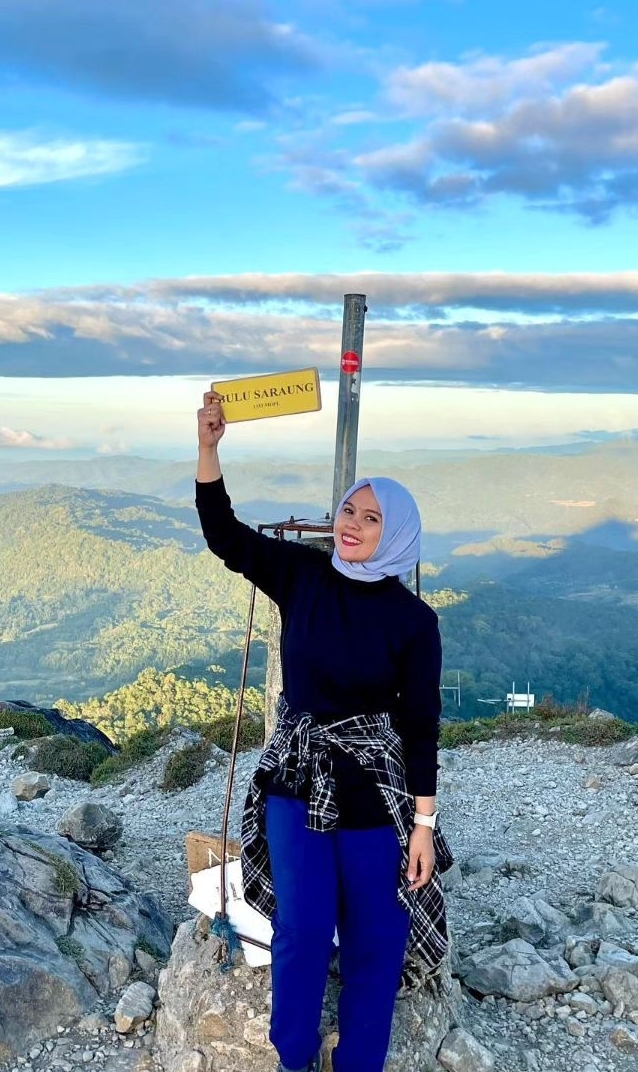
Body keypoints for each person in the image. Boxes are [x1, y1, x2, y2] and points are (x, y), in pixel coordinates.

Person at [195, 391, 452, 1072]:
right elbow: (225, 536)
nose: (352, 526)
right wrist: (209, 450)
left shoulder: (411, 622)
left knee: (376, 941)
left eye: (370, 519)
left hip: (373, 797)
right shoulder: (303, 575)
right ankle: (293, 1058)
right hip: (295, 785)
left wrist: (422, 825)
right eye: (347, 510)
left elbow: (420, 726)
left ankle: (359, 1061)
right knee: (302, 934)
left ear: (393, 534)